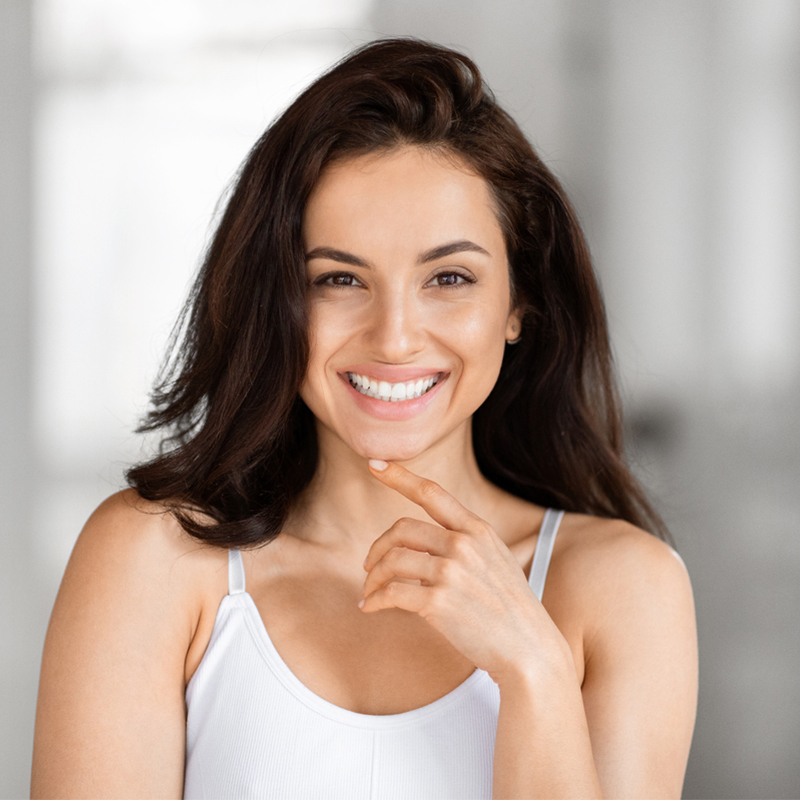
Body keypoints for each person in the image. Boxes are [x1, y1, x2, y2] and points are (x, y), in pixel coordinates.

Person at [31, 37, 698, 799]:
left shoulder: (623, 588)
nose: (395, 338)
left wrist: (534, 670)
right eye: (339, 278)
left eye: (449, 277)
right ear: (275, 299)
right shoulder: (154, 561)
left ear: (519, 305)